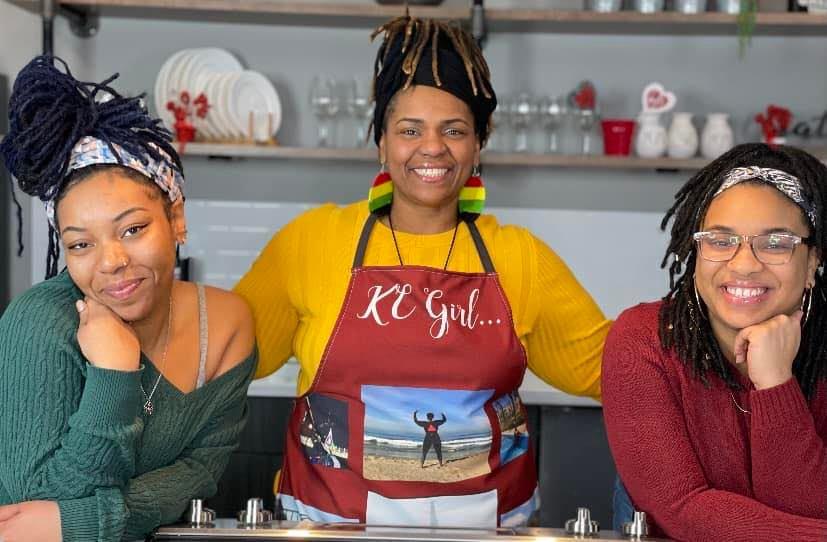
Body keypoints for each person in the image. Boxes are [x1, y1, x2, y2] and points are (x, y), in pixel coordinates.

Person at [235, 15, 610, 527]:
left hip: (485, 532)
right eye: (410, 130)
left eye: (453, 130)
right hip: (331, 528)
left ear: (477, 145)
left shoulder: (520, 258)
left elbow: (609, 369)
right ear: (382, 143)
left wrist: (718, 333)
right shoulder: (313, 242)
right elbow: (233, 353)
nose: (432, 147)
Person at [0, 56, 256, 542]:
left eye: (133, 229)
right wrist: (114, 377)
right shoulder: (38, 324)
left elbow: (198, 473)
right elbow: (27, 513)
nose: (111, 261)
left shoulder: (225, 325)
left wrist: (87, 521)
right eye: (81, 244)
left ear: (176, 219)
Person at [603, 143, 827, 541]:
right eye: (721, 241)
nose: (743, 263)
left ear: (812, 262)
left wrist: (775, 382)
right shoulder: (645, 340)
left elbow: (807, 505)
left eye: (776, 243)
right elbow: (682, 508)